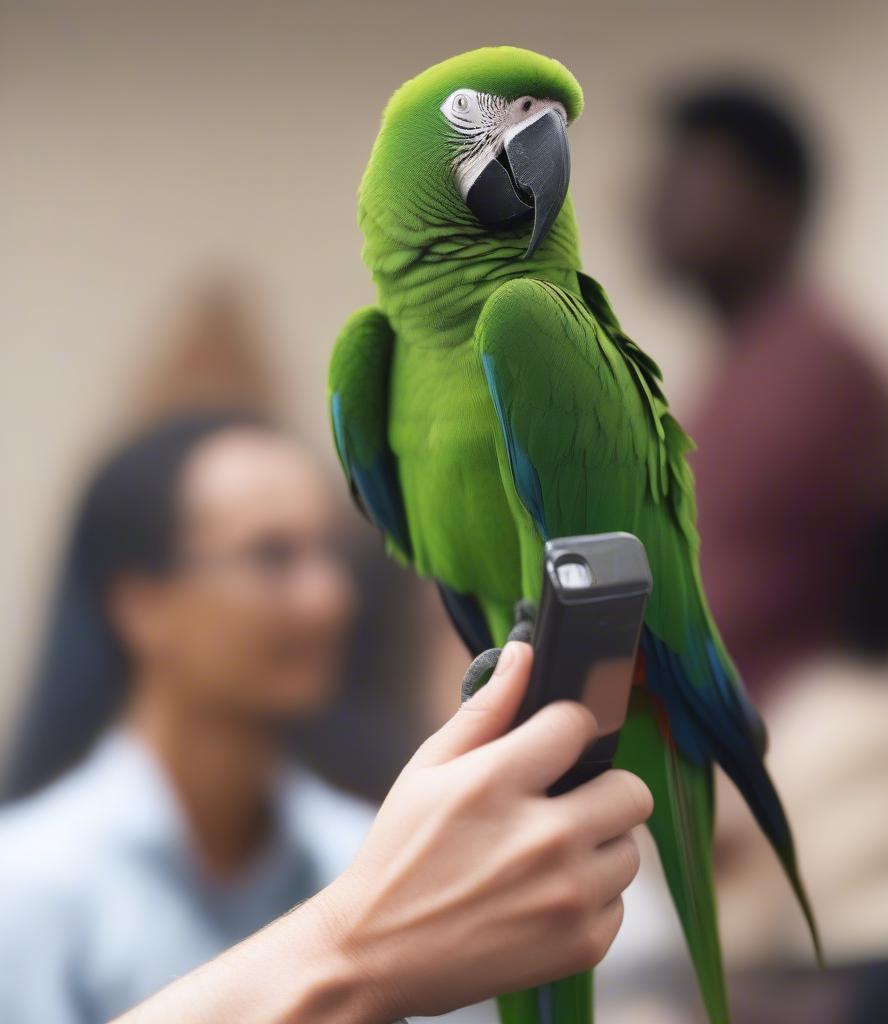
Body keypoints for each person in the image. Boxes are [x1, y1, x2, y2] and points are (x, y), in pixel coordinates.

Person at [0, 413, 377, 1022]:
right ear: (142, 603)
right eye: (271, 556)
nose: (327, 599)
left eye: (331, 553)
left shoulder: (369, 860)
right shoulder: (25, 887)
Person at [648, 82, 888, 701]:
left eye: (690, 174)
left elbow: (722, 605)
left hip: (793, 752)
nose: (655, 198)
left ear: (776, 206)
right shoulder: (750, 365)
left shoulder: (807, 368)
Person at [115, 641, 652, 1023]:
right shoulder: (49, 874)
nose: (324, 594)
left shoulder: (349, 834)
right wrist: (362, 951)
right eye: (271, 556)